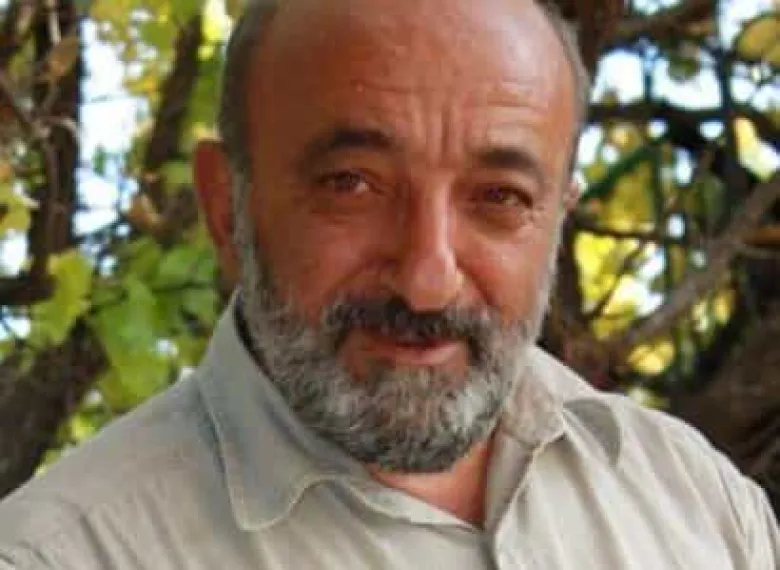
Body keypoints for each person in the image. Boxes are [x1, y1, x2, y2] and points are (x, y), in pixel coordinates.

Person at [1, 0, 778, 567]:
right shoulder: (60, 556)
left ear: (557, 222)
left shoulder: (698, 500)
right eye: (352, 184)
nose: (427, 281)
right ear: (225, 209)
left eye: (500, 197)